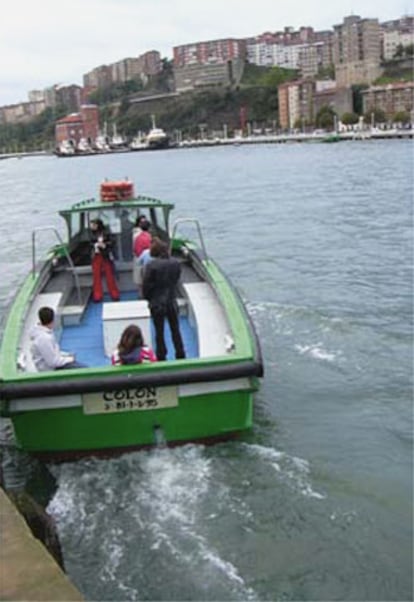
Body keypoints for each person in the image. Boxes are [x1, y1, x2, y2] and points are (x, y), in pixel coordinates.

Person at [142, 238, 186, 361]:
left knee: (159, 331)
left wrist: (149, 297)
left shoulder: (152, 265)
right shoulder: (175, 263)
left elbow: (147, 285)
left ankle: (161, 355)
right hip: (171, 300)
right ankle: (180, 353)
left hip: (157, 302)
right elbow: (176, 279)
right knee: (175, 329)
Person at [30, 307, 87, 371]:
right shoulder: (44, 339)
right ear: (52, 320)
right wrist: (70, 359)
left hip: (54, 364)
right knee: (84, 370)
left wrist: (66, 355)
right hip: (51, 369)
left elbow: (53, 353)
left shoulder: (44, 333)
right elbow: (53, 362)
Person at [90, 218, 120, 302]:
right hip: (96, 256)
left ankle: (114, 294)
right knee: (96, 277)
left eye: (94, 225)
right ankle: (97, 296)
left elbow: (112, 242)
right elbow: (89, 243)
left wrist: (105, 245)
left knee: (109, 276)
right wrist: (95, 245)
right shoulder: (91, 234)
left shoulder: (106, 233)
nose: (92, 226)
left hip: (105, 256)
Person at [133, 217, 152, 297]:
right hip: (147, 259)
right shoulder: (149, 237)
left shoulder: (135, 235)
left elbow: (134, 248)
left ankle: (141, 295)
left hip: (138, 258)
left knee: (139, 280)